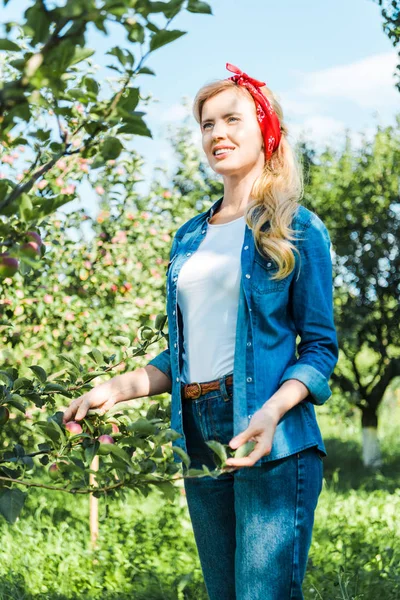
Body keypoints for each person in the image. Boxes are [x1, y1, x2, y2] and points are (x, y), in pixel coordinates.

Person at [63, 63, 339, 600]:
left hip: (272, 431)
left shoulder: (297, 229)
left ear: (267, 130)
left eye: (231, 120)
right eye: (207, 124)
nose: (217, 134)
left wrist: (271, 411)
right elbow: (186, 352)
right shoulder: (190, 236)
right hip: (198, 432)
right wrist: (112, 390)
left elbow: (321, 348)